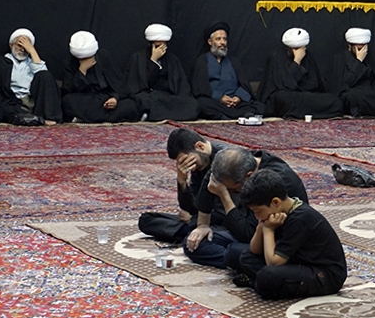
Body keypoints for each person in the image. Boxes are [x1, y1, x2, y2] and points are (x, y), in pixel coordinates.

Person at [225, 169, 347, 299]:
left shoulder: (301, 218)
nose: (256, 216)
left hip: (324, 275)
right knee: (245, 257)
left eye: (258, 211)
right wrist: (261, 226)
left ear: (275, 202)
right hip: (297, 262)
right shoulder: (277, 212)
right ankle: (260, 282)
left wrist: (268, 230)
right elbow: (254, 250)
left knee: (267, 276)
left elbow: (273, 263)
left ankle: (258, 283)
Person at [183, 146, 308, 268]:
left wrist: (224, 196)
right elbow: (211, 178)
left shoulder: (272, 181)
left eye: (233, 189)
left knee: (235, 253)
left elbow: (248, 234)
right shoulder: (244, 162)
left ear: (249, 175)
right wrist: (203, 225)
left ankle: (242, 262)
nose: (232, 193)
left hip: (276, 242)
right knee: (194, 243)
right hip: (249, 228)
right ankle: (240, 262)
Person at [138, 128, 226, 243]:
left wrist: (192, 220)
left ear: (200, 146)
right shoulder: (200, 161)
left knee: (217, 230)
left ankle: (194, 235)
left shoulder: (225, 160)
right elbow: (191, 208)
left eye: (190, 162)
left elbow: (224, 211)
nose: (192, 168)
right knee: (146, 220)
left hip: (224, 220)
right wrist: (182, 182)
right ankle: (193, 234)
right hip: (203, 218)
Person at [259, 27, 343, 119]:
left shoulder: (307, 56)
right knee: (284, 98)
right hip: (286, 96)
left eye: (301, 48)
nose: (299, 51)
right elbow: (285, 85)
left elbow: (314, 83)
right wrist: (297, 61)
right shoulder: (277, 56)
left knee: (335, 101)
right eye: (295, 49)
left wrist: (302, 88)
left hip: (303, 95)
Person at [125, 23, 200, 121]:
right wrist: (153, 61)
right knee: (142, 101)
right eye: (157, 46)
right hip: (149, 95)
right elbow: (138, 86)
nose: (160, 49)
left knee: (192, 104)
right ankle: (149, 113)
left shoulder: (172, 59)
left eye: (163, 46)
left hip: (167, 96)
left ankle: (151, 114)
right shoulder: (138, 58)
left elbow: (181, 85)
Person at [190, 22, 264, 120]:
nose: (222, 42)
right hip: (215, 101)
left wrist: (238, 97)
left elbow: (244, 85)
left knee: (260, 106)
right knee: (201, 104)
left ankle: (227, 115)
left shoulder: (234, 62)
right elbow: (200, 89)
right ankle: (237, 115)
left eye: (224, 39)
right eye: (218, 39)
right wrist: (220, 98)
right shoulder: (202, 62)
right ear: (210, 42)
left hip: (235, 102)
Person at [61, 31, 138, 123]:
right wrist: (81, 71)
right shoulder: (69, 62)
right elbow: (68, 89)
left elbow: (118, 84)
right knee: (68, 101)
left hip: (106, 97)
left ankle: (88, 118)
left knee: (130, 104)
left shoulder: (104, 56)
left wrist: (115, 98)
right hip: (86, 99)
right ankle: (107, 118)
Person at [0, 28, 62, 125]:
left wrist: (32, 51)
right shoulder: (2, 62)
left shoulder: (32, 62)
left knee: (45, 75)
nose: (22, 49)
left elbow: (46, 81)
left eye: (26, 47)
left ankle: (48, 118)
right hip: (12, 102)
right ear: (11, 45)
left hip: (32, 101)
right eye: (19, 45)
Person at [333, 28, 375, 117]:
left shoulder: (369, 57)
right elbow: (345, 83)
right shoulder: (341, 58)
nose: (362, 51)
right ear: (350, 46)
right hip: (355, 93)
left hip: (370, 93)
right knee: (353, 97)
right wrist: (358, 61)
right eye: (359, 48)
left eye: (364, 48)